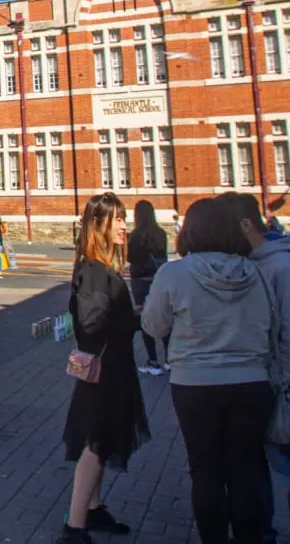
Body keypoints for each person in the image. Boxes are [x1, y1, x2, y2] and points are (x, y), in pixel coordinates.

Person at [141, 196, 275, 544]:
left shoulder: (174, 273)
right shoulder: (255, 272)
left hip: (195, 383)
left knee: (205, 470)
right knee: (246, 469)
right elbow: (272, 325)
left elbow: (153, 326)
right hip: (251, 381)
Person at [223, 193, 290, 544]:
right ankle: (260, 530)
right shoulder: (246, 263)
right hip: (248, 381)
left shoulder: (283, 269)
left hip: (274, 382)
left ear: (244, 225)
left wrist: (282, 377)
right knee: (253, 465)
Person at [55, 193, 144, 543]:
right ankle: (74, 527)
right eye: (117, 219)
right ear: (97, 224)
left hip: (113, 366)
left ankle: (92, 508)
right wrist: (135, 321)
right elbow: (92, 325)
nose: (124, 225)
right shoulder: (93, 270)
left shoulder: (102, 267)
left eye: (124, 218)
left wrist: (133, 318)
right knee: (95, 444)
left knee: (103, 440)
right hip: (103, 371)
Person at [126, 200, 169, 375]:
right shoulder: (161, 233)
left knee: (145, 319)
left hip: (141, 281)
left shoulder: (135, 235)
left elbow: (132, 259)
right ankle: (169, 358)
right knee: (164, 316)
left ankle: (153, 361)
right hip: (159, 279)